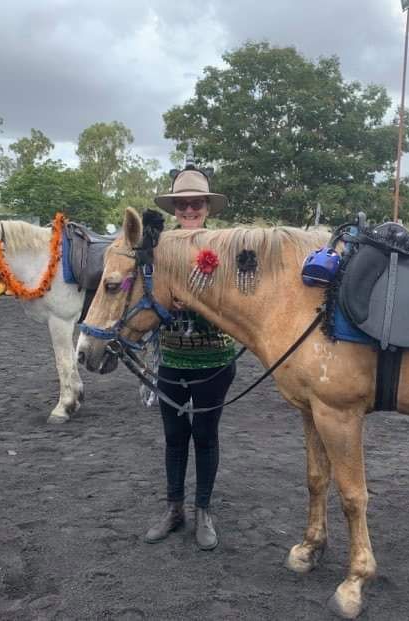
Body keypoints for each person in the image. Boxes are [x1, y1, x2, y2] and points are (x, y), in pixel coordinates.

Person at [145, 160, 236, 550]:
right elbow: (145, 295)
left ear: (206, 207)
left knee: (205, 434)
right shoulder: (158, 247)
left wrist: (198, 304)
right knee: (173, 435)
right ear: (174, 209)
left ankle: (203, 511)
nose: (188, 210)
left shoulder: (224, 247)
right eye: (182, 204)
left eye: (195, 203)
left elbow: (236, 300)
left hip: (215, 359)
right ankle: (174, 508)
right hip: (171, 357)